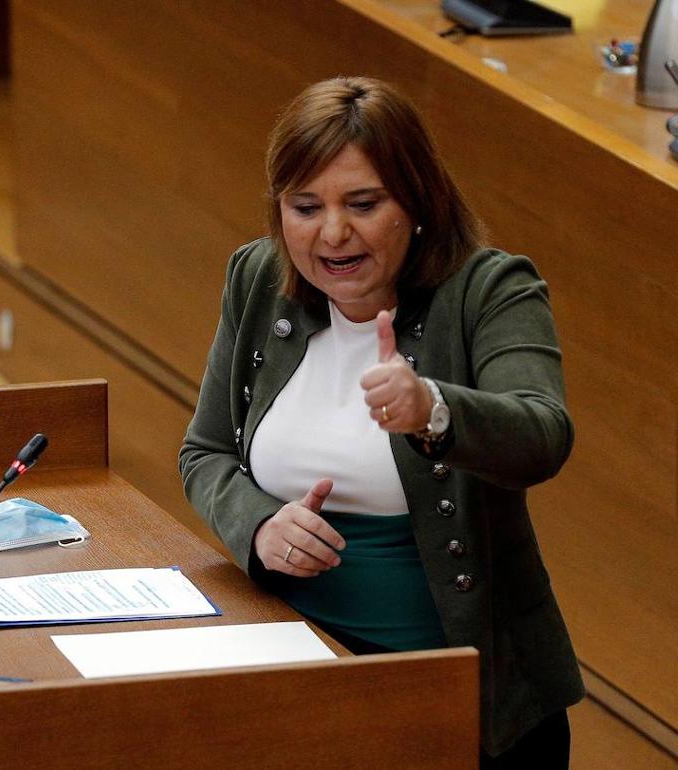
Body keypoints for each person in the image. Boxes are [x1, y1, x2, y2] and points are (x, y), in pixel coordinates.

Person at [178, 76, 583, 767]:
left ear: (418, 203)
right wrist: (260, 524)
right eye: (304, 207)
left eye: (363, 205)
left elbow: (542, 436)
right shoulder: (257, 277)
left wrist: (434, 409)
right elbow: (206, 453)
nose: (332, 232)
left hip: (453, 703)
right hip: (294, 675)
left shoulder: (489, 290)